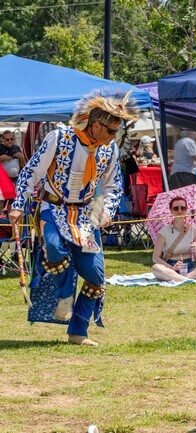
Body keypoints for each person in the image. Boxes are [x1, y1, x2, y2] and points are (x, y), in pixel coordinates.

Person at [9, 88, 140, 346]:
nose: (114, 137)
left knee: (95, 276)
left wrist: (106, 211)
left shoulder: (109, 149)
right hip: (53, 207)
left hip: (85, 215)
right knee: (55, 249)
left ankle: (78, 333)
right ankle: (64, 296)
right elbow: (30, 172)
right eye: (111, 131)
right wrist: (17, 204)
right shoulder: (59, 138)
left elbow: (113, 186)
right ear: (94, 125)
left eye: (117, 132)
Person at [151, 196, 196, 282]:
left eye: (183, 208)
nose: (179, 211)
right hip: (171, 267)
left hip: (189, 266)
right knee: (156, 268)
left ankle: (182, 278)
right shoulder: (164, 232)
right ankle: (187, 279)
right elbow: (155, 258)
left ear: (186, 210)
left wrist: (195, 251)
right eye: (176, 208)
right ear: (171, 210)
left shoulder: (194, 231)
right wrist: (171, 267)